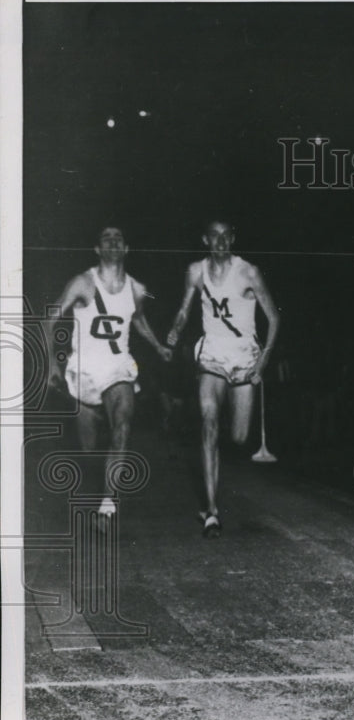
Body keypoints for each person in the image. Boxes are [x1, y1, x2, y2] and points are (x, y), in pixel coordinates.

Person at [44, 226, 173, 521]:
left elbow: (138, 319)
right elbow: (48, 321)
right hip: (85, 369)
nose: (113, 242)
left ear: (126, 249)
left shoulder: (136, 289)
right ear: (98, 249)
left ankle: (108, 504)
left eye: (119, 239)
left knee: (123, 422)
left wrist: (157, 347)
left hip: (118, 366)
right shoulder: (82, 283)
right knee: (89, 452)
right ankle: (98, 476)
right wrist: (51, 363)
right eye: (107, 238)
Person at [167, 220, 280, 536]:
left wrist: (263, 362)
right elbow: (184, 310)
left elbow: (274, 318)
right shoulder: (195, 271)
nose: (220, 241)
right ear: (205, 239)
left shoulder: (249, 272)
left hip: (244, 356)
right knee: (209, 424)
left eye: (226, 235)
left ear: (233, 238)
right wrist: (176, 328)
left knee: (240, 438)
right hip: (213, 354)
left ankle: (216, 482)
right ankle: (212, 511)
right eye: (214, 236)